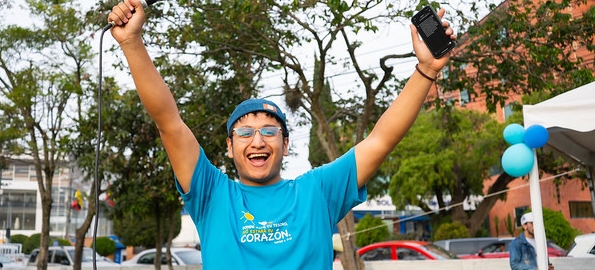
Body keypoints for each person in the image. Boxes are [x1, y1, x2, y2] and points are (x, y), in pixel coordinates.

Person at [107, 0, 455, 268]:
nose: (258, 141)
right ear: (229, 147)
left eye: (270, 131)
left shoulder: (318, 192)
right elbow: (168, 122)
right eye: (244, 133)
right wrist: (132, 43)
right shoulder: (211, 194)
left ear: (286, 144)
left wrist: (426, 71)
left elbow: (381, 139)